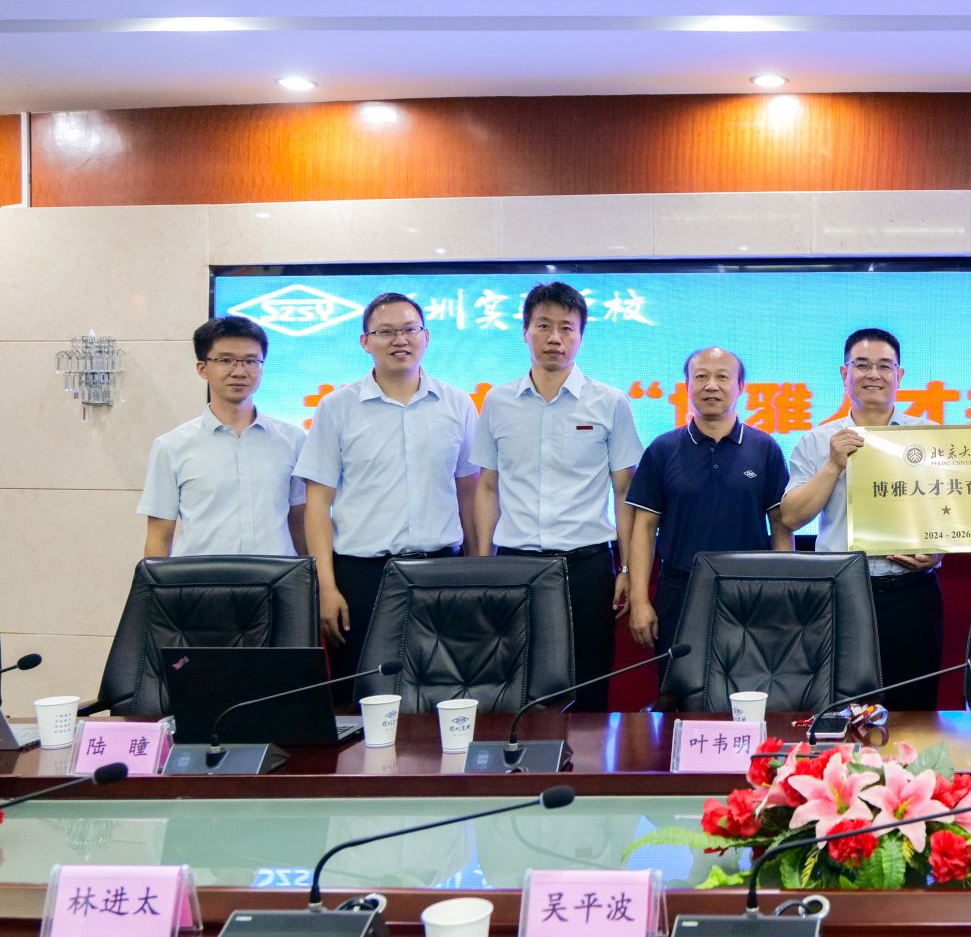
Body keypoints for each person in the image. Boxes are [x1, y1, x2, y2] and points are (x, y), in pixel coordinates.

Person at [294, 292, 480, 697]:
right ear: (365, 342)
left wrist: (478, 571)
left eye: (410, 329)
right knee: (361, 695)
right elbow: (318, 504)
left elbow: (469, 493)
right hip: (361, 577)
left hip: (441, 572)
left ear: (426, 337)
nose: (400, 340)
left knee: (442, 694)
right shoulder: (337, 407)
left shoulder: (457, 404)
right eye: (386, 332)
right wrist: (326, 586)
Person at [471, 282, 643, 713]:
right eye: (543, 325)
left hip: (585, 566)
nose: (555, 338)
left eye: (567, 328)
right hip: (516, 564)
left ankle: (587, 759)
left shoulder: (610, 402)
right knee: (514, 682)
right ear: (525, 331)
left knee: (589, 684)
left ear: (581, 336)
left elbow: (624, 490)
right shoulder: (497, 401)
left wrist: (626, 567)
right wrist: (482, 563)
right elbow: (487, 487)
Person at [781, 328, 944, 708]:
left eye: (884, 366)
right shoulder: (817, 441)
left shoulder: (931, 436)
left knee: (913, 710)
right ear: (844, 373)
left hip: (911, 592)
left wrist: (940, 551)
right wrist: (832, 466)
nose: (874, 375)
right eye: (862, 365)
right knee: (840, 708)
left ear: (899, 375)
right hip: (841, 592)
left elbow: (954, 512)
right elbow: (790, 517)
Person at [623, 347, 791, 665]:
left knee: (746, 685)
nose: (711, 385)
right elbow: (643, 529)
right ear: (687, 386)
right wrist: (640, 600)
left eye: (722, 377)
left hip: (748, 591)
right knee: (678, 685)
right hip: (679, 591)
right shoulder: (662, 449)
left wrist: (780, 590)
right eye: (701, 377)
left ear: (740, 387)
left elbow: (781, 527)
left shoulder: (765, 447)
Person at [137, 316, 307, 558]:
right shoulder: (171, 446)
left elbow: (300, 522)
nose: (239, 372)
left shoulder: (293, 441)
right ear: (202, 368)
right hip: (198, 578)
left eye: (250, 361)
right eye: (225, 360)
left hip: (278, 577)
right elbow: (159, 536)